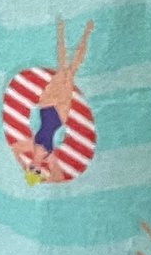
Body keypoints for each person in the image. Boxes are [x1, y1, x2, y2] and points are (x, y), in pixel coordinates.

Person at [7, 17, 94, 186]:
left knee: (62, 69)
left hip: (46, 108)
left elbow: (15, 149)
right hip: (59, 116)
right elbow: (59, 177)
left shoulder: (31, 146)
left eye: (31, 168)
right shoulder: (50, 157)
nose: (35, 167)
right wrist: (46, 179)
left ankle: (61, 30)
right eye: (37, 171)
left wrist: (22, 165)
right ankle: (86, 33)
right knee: (71, 71)